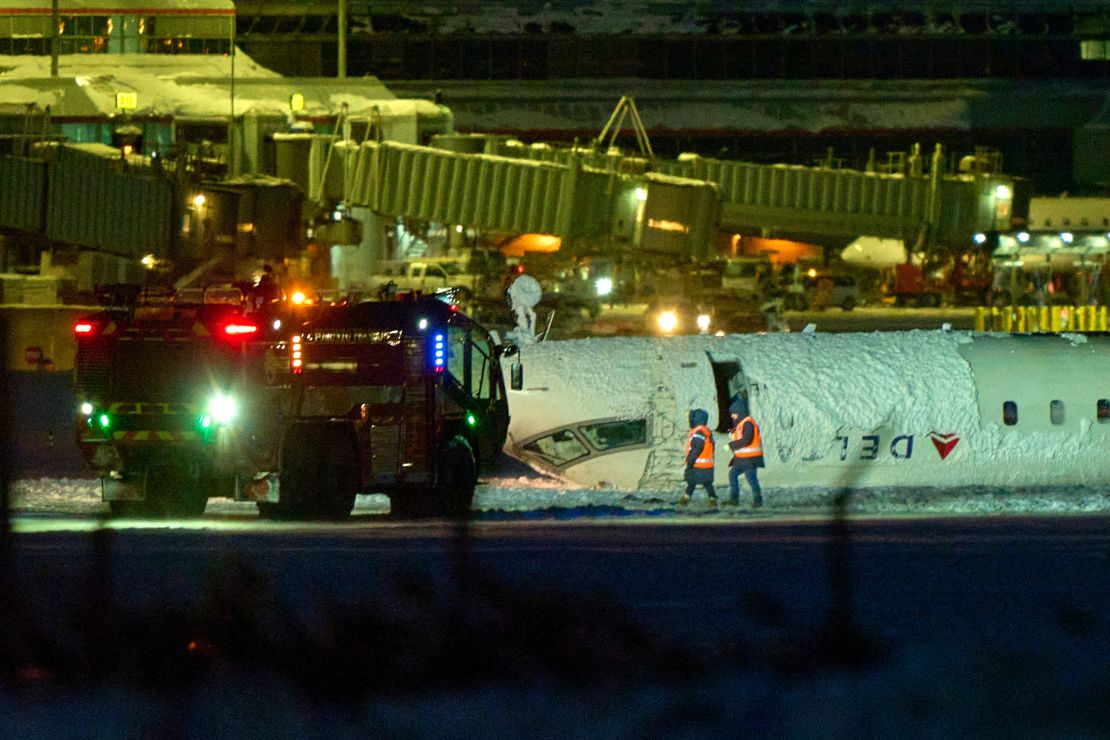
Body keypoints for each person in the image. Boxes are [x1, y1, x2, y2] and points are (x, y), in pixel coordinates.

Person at [724, 397, 764, 508]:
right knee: (733, 474)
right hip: (743, 458)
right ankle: (734, 499)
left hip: (751, 458)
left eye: (734, 413)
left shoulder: (748, 424)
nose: (732, 416)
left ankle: (758, 500)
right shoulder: (740, 424)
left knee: (751, 478)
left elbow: (746, 440)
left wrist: (730, 445)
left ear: (740, 413)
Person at [678, 408, 717, 508]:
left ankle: (686, 498)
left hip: (698, 464)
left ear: (695, 419)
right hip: (707, 465)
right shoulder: (706, 431)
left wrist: (690, 462)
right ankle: (712, 499)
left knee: (692, 481)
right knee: (707, 483)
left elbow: (696, 448)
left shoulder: (698, 432)